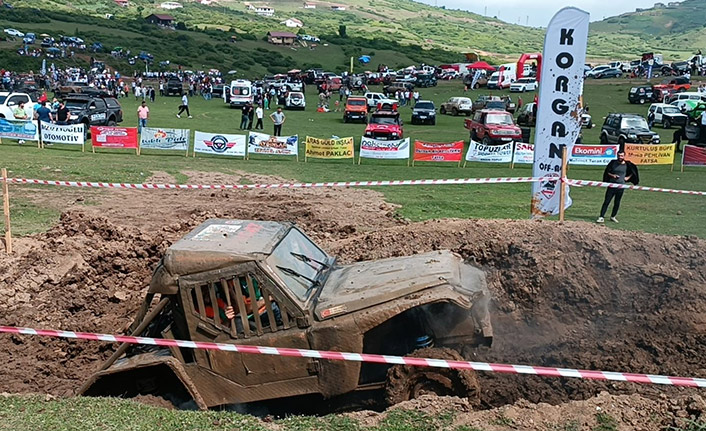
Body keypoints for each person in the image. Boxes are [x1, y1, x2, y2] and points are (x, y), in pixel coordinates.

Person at [597, 150, 639, 224]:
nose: (620, 157)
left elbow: (633, 172)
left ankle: (613, 216)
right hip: (612, 185)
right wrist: (613, 176)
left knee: (617, 202)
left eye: (622, 156)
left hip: (621, 186)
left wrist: (627, 178)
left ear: (624, 156)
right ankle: (601, 217)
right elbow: (607, 172)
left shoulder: (628, 164)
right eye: (619, 156)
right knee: (607, 201)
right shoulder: (613, 163)